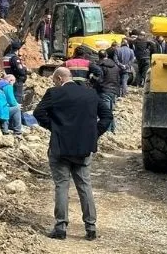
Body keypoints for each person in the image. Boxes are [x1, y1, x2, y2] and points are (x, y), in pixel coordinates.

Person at [33, 67, 111, 241]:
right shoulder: (90, 94)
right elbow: (107, 116)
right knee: (84, 186)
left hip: (60, 147)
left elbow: (38, 113)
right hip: (83, 147)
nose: (54, 84)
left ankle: (60, 228)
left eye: (54, 81)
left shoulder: (54, 93)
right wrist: (94, 133)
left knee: (62, 185)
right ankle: (90, 228)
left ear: (60, 78)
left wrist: (54, 128)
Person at [2, 40, 29, 105]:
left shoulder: (6, 56)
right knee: (17, 99)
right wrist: (25, 69)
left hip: (9, 79)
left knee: (9, 98)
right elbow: (21, 71)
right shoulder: (14, 58)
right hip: (17, 81)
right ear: (18, 50)